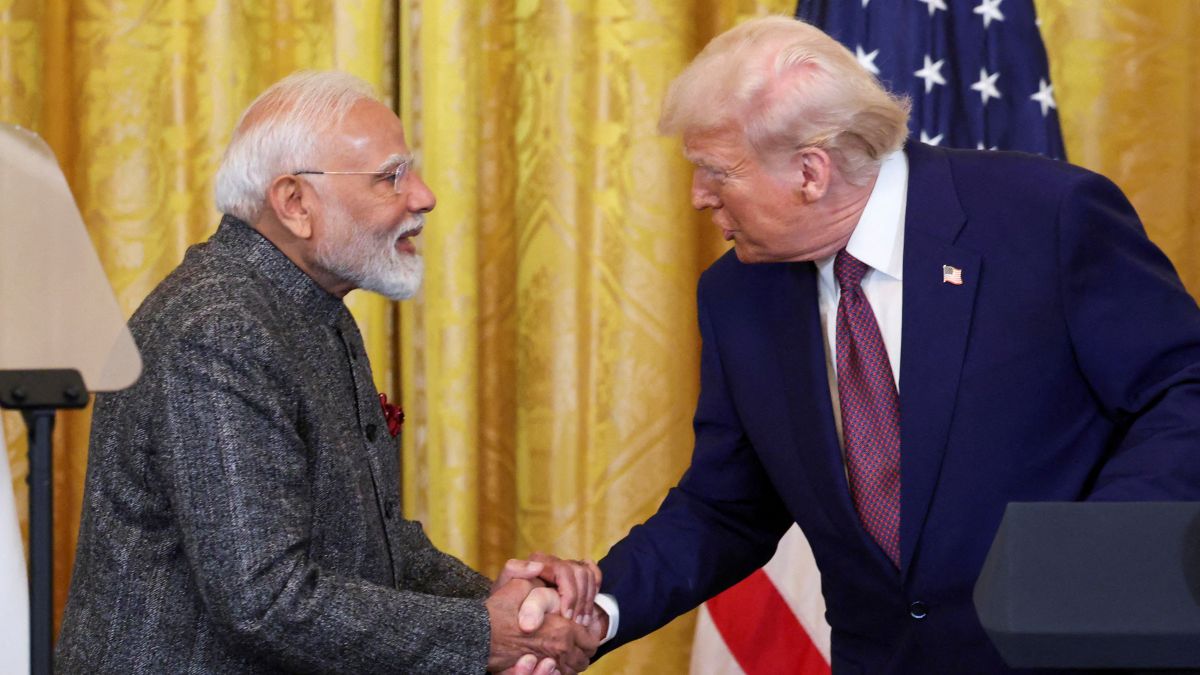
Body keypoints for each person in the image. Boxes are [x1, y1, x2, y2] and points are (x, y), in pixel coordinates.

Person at [531, 15, 1200, 673]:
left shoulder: (1045, 218)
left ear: (811, 172)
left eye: (716, 171)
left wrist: (1095, 552)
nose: (699, 198)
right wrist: (601, 607)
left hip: (1068, 656)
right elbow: (724, 507)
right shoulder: (738, 297)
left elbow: (1183, 388)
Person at [56, 71, 601, 674]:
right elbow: (264, 599)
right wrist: (484, 636)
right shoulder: (218, 327)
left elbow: (372, 543)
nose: (423, 196)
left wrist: (512, 610)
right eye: (391, 176)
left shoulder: (304, 306)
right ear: (295, 204)